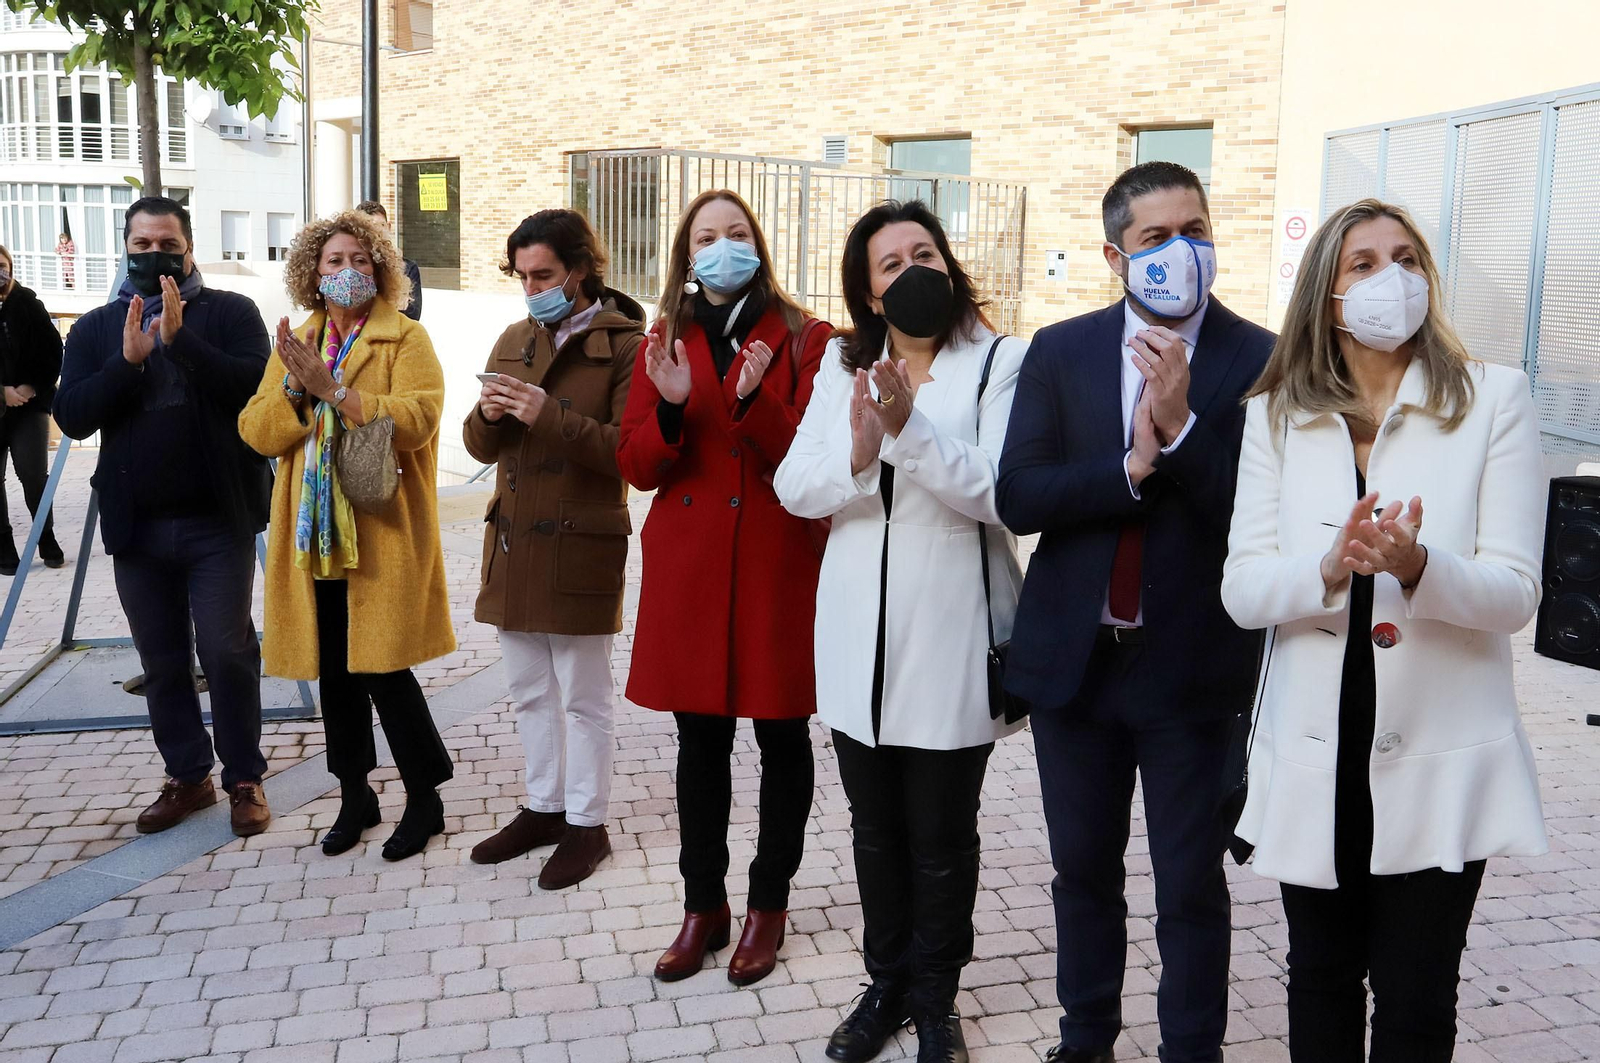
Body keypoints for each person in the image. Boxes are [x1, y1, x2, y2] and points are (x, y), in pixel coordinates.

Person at [1222, 199, 1548, 1063]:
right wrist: (1326, 568)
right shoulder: (1275, 415)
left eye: (1405, 258)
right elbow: (1243, 588)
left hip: (1443, 760)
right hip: (1315, 755)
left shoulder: (1494, 399)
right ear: (1326, 293)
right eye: (1362, 263)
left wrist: (1415, 565)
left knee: (1414, 994)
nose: (1389, 277)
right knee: (1319, 975)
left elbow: (1517, 592)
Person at [996, 162, 1275, 1063]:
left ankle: (1191, 1050)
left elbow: (1258, 513)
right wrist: (1128, 469)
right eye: (1156, 239)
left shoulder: (1262, 358)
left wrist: (1185, 426)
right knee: (1082, 873)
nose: (1181, 251)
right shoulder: (1061, 349)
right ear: (1117, 254)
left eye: (1194, 228)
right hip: (1076, 667)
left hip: (1192, 670)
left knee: (1189, 885)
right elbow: (1021, 494)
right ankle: (1086, 1042)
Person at [774, 201, 1027, 1063]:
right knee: (875, 829)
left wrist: (907, 430)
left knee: (943, 833)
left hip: (952, 632)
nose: (912, 270)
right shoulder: (843, 366)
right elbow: (794, 487)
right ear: (871, 293)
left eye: (925, 253)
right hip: (854, 637)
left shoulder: (997, 362)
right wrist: (855, 449)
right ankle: (884, 984)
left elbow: (1002, 492)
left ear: (948, 268)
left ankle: (937, 997)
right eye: (891, 263)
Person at [616, 189, 831, 987]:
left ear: (759, 245)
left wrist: (752, 399)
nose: (722, 247)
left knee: (783, 737)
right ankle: (702, 905)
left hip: (777, 561)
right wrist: (672, 411)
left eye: (737, 234)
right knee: (698, 745)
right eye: (707, 237)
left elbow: (814, 459)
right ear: (685, 252)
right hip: (694, 566)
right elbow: (636, 464)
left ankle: (768, 904)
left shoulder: (809, 336)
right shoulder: (662, 337)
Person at [239, 209, 456, 862]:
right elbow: (255, 430)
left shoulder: (405, 338)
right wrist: (299, 394)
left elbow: (419, 419)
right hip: (314, 540)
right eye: (334, 261)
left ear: (382, 269)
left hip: (379, 531)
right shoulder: (296, 339)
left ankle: (426, 796)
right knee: (335, 673)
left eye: (361, 260)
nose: (348, 271)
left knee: (386, 671)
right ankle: (354, 793)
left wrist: (334, 389)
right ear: (312, 272)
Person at [53, 196, 273, 837]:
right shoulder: (95, 327)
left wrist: (182, 344)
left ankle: (244, 778)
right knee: (162, 659)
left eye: (166, 245)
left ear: (189, 247)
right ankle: (188, 776)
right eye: (141, 245)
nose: (155, 256)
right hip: (137, 527)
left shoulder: (231, 312)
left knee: (229, 651)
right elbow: (72, 415)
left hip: (216, 520)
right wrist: (126, 364)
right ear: (125, 247)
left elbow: (255, 389)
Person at [463, 209, 644, 888]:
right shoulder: (514, 336)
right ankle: (543, 806)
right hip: (512, 540)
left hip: (580, 544)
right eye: (522, 275)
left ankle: (587, 822)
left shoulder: (626, 343)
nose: (532, 286)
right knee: (528, 692)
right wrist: (486, 415)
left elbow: (628, 452)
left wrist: (550, 414)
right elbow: (479, 446)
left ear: (580, 268)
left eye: (543, 274)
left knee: (585, 696)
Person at [0, 246, 67, 573]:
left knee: (33, 474)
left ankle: (46, 537)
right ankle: (3, 546)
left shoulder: (28, 305)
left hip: (30, 405)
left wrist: (30, 387)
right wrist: (2, 393)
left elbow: (53, 352)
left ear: (11, 267)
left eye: (2, 266)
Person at [355, 201, 422, 321]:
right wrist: (395, 303)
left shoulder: (407, 268)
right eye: (370, 227)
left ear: (389, 227)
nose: (377, 232)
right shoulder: (352, 268)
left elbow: (412, 315)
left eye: (381, 226)